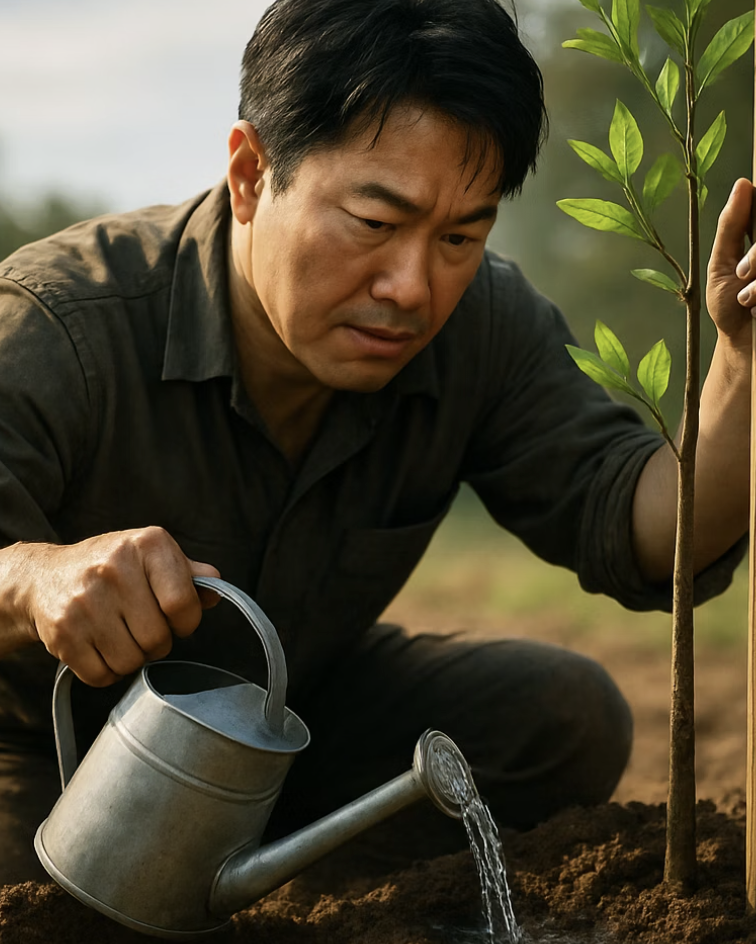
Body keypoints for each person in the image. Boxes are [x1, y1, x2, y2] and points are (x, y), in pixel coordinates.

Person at [0, 0, 752, 887]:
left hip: (296, 733)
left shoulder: (482, 328)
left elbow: (644, 525)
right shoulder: (59, 326)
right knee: (50, 895)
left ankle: (285, 892)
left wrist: (743, 361)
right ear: (250, 174)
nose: (411, 287)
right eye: (374, 222)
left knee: (562, 714)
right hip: (48, 755)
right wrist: (36, 577)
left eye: (461, 235)